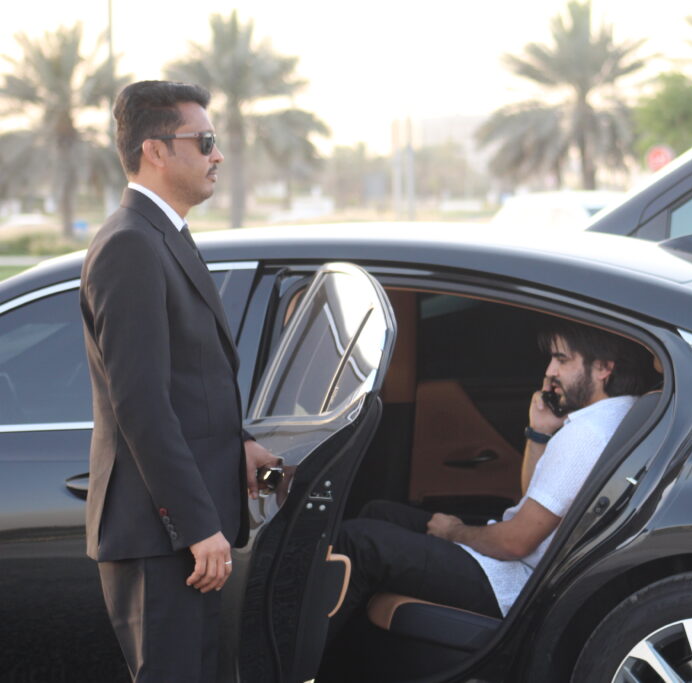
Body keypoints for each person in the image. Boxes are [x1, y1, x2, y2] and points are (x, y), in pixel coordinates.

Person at [79, 80, 278, 682]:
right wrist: (196, 527)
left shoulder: (162, 235)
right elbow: (140, 404)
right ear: (156, 151)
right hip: (160, 538)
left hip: (180, 538)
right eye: (206, 141)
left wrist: (239, 442)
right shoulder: (130, 245)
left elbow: (188, 378)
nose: (219, 155)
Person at [326, 321, 654, 642]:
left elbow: (516, 543)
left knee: (357, 541)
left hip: (512, 581)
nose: (550, 371)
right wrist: (539, 433)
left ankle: (310, 656)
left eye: (561, 359)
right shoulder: (621, 414)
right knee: (379, 512)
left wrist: (454, 532)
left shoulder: (585, 435)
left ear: (603, 368)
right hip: (524, 564)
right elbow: (534, 498)